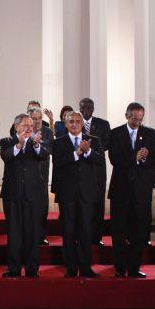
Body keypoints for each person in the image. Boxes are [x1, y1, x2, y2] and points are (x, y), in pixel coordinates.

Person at [52, 111, 104, 278]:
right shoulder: (59, 142)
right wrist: (77, 153)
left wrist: (88, 151)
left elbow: (100, 160)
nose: (74, 124)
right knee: (68, 232)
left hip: (87, 194)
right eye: (70, 121)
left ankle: (86, 267)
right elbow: (58, 163)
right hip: (67, 195)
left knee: (86, 232)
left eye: (77, 121)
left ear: (82, 124)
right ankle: (71, 269)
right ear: (65, 124)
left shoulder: (93, 140)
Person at [108, 102, 155, 278]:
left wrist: (145, 158)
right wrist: (134, 158)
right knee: (119, 231)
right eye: (134, 118)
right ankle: (120, 268)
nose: (137, 121)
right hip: (120, 191)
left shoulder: (150, 134)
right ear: (126, 116)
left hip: (141, 191)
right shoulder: (115, 133)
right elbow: (114, 158)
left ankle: (135, 267)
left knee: (138, 232)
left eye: (140, 118)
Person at [0, 114, 50, 278]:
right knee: (14, 233)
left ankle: (31, 269)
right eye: (25, 125)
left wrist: (35, 145)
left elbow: (44, 155)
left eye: (31, 125)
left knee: (32, 233)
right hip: (13, 194)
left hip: (32, 194)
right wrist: (19, 145)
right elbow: (6, 156)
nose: (29, 128)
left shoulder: (36, 142)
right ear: (16, 127)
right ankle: (14, 268)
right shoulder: (7, 141)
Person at [79, 97, 111, 246]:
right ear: (79, 109)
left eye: (89, 108)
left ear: (93, 109)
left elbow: (107, 143)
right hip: (80, 168)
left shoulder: (103, 124)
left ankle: (97, 237)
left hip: (97, 169)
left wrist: (90, 147)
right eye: (83, 108)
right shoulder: (75, 123)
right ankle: (82, 236)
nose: (86, 111)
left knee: (98, 204)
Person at [28, 107, 54, 245]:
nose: (37, 121)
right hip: (27, 175)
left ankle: (41, 235)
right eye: (34, 118)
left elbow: (50, 149)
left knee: (43, 207)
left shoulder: (48, 132)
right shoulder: (25, 131)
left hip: (43, 175)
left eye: (39, 118)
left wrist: (38, 143)